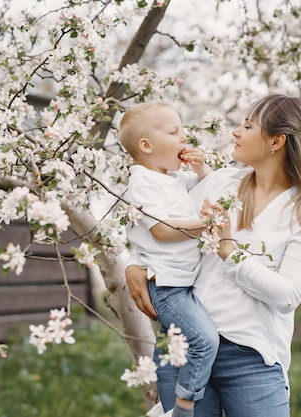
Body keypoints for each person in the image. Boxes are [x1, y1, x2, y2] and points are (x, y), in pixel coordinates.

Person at [126, 94, 301, 417]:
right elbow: (160, 221)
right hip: (186, 345)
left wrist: (230, 251)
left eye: (247, 125)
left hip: (251, 358)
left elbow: (288, 295)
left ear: (276, 141)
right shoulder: (222, 183)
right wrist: (135, 263)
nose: (235, 132)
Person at [119, 102, 219, 417]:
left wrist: (201, 169)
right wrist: (207, 227)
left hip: (184, 283)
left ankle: (170, 405)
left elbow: (208, 186)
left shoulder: (170, 179)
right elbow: (162, 230)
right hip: (168, 286)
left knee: (177, 349)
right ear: (146, 145)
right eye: (174, 132)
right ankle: (183, 407)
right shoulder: (144, 182)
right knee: (204, 340)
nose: (183, 138)